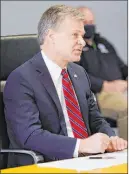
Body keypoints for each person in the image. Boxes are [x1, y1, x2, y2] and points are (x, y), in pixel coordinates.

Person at [3, 5, 127, 167]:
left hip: (89, 161)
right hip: (50, 163)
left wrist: (111, 139)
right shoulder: (21, 79)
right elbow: (30, 135)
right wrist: (81, 146)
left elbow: (95, 120)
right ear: (51, 36)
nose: (82, 42)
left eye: (82, 36)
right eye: (75, 35)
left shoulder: (79, 73)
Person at [77, 7, 128, 140]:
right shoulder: (76, 47)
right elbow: (77, 75)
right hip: (100, 95)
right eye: (85, 22)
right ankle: (124, 151)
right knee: (126, 108)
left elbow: (123, 67)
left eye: (91, 21)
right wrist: (105, 85)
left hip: (123, 90)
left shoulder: (103, 43)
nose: (89, 25)